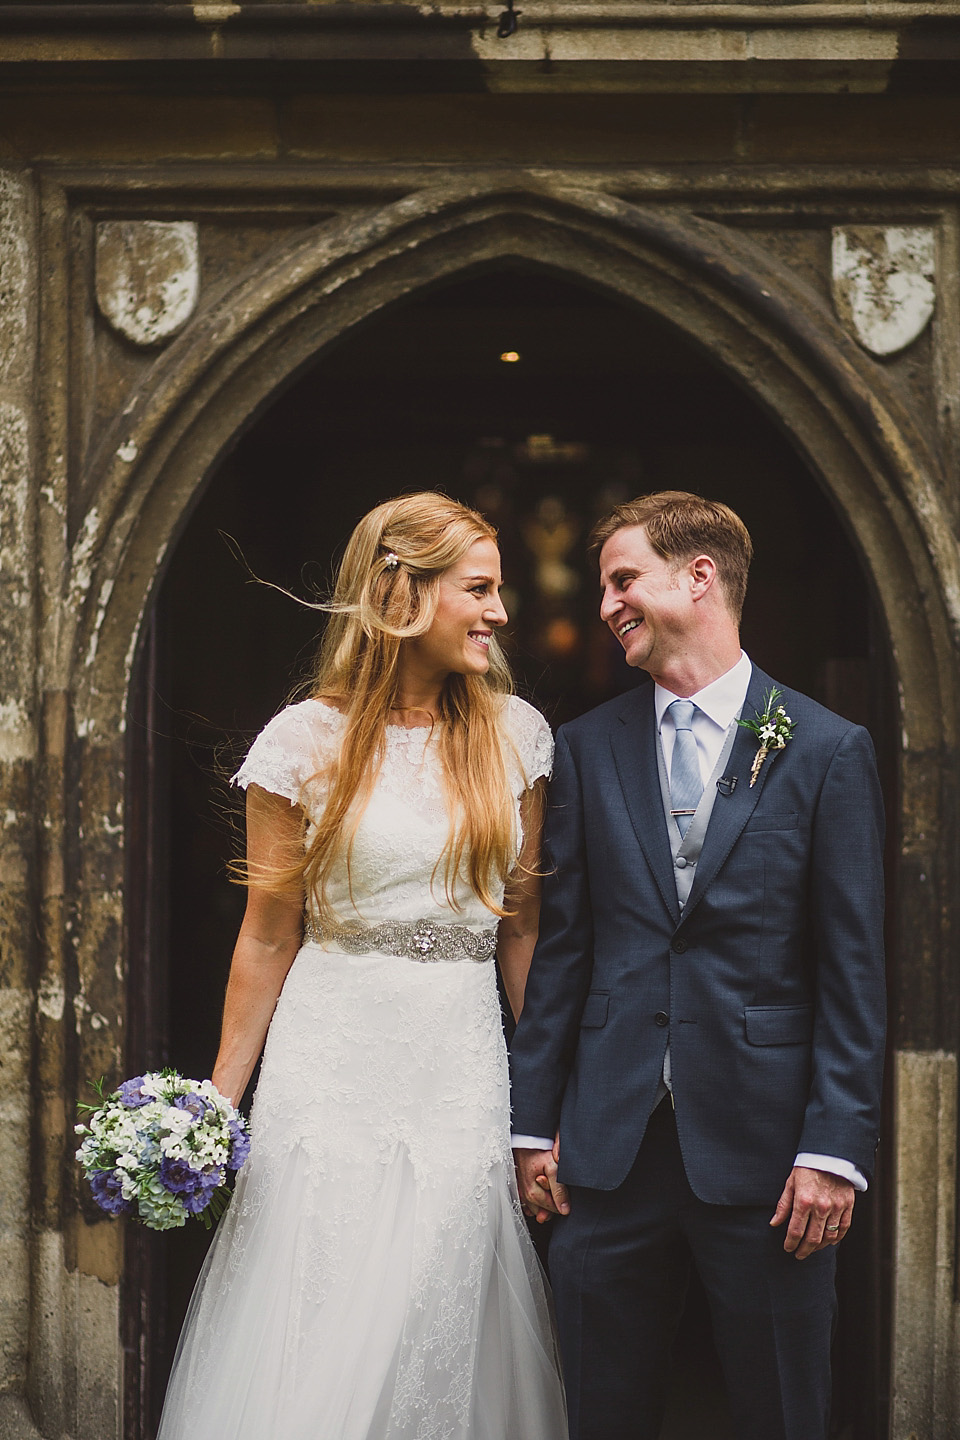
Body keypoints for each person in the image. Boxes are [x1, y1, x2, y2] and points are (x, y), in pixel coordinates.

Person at [156, 492, 566, 1440]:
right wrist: (219, 1100)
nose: (501, 613)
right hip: (330, 1055)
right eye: (480, 589)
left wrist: (547, 1100)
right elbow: (267, 933)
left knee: (442, 1301)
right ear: (401, 590)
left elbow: (523, 930)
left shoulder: (517, 735)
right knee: (322, 1299)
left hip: (459, 1062)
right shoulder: (301, 742)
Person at [509, 491, 886, 1440]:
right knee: (599, 1410)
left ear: (700, 577)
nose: (607, 604)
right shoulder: (588, 749)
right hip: (606, 1153)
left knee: (781, 1411)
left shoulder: (824, 749)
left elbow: (854, 971)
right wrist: (532, 1127)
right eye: (605, 587)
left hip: (770, 1164)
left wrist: (832, 1150)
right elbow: (565, 953)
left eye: (624, 579)